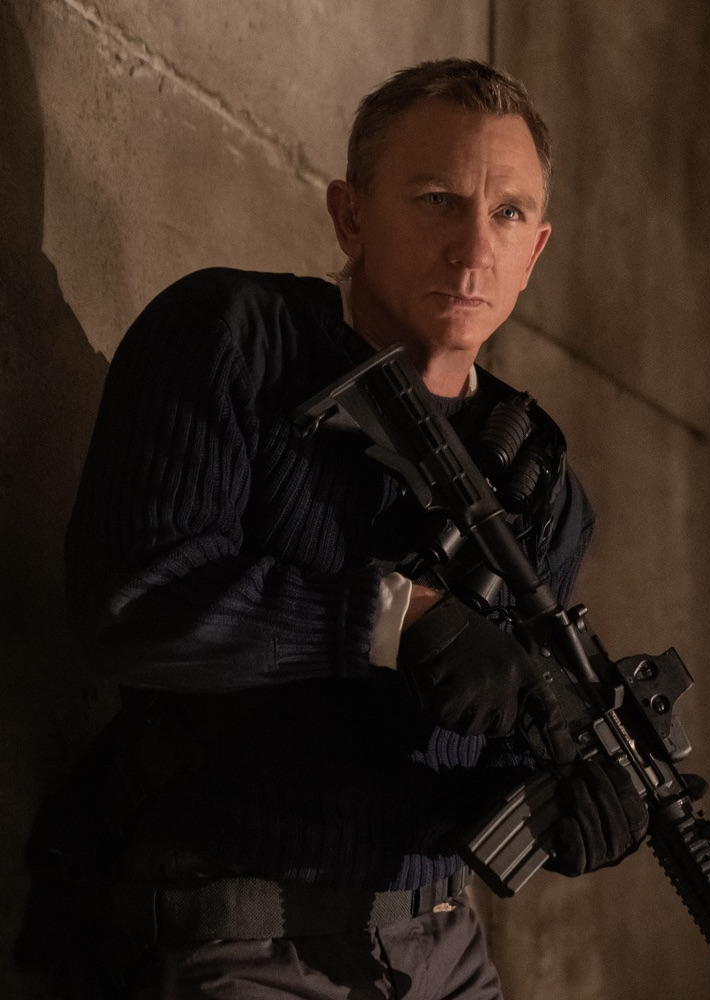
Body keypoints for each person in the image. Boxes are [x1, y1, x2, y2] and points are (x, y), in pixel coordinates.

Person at [20, 58, 648, 999]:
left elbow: (474, 747)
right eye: (437, 200)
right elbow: (131, 608)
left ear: (536, 250)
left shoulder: (541, 483)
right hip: (240, 934)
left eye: (508, 213)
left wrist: (563, 800)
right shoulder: (235, 338)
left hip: (441, 946)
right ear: (350, 215)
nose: (473, 249)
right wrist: (393, 618)